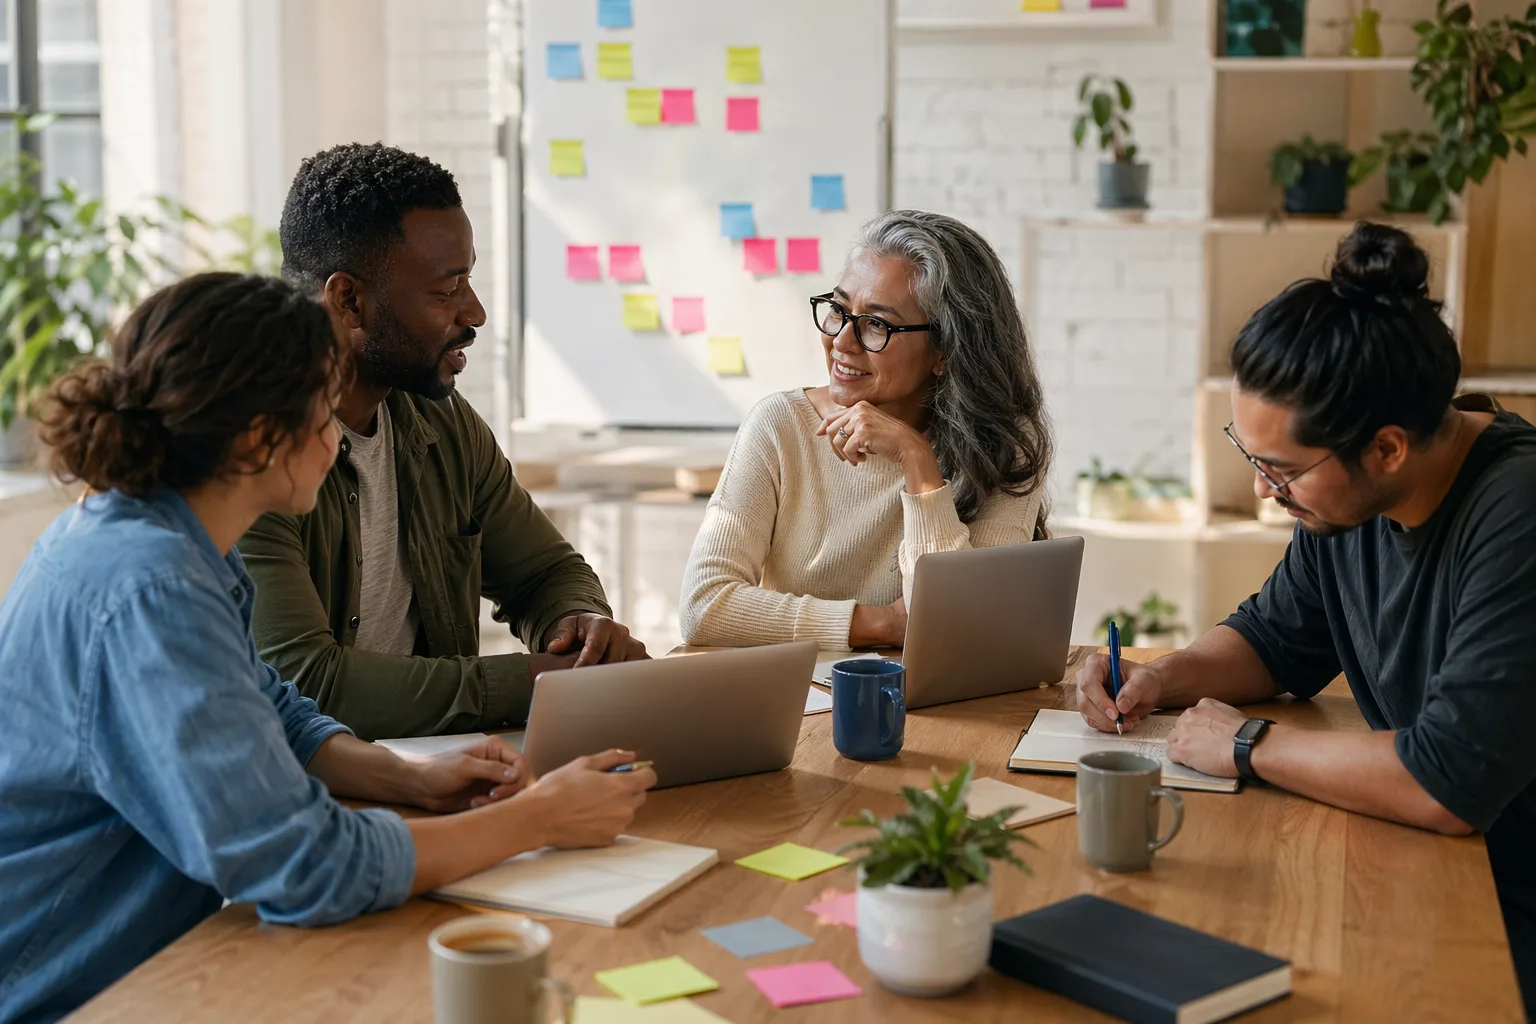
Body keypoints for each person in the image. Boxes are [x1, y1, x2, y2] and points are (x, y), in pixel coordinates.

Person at [0, 273, 656, 1024]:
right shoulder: (154, 589)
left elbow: (266, 704)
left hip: (154, 961)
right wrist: (539, 818)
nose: (340, 429)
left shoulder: (160, 532)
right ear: (257, 437)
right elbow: (305, 865)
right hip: (66, 993)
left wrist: (409, 777)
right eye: (324, 403)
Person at [1074, 222, 1536, 1014]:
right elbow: (1274, 640)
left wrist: (1250, 744)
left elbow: (1447, 784)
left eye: (1280, 469)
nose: (1262, 490)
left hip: (1504, 905)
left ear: (1386, 449)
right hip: (1429, 862)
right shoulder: (1345, 504)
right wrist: (1164, 677)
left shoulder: (1516, 513)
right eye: (1250, 456)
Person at [241, 143, 645, 741]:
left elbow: (543, 572)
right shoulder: (253, 452)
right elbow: (305, 682)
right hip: (314, 789)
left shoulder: (442, 422)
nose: (475, 312)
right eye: (446, 288)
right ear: (348, 300)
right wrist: (538, 681)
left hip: (427, 771)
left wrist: (577, 628)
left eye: (469, 279)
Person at [679, 209, 1052, 651]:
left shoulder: (1005, 445)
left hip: (943, 708)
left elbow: (963, 633)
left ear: (946, 350)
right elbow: (704, 606)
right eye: (839, 309)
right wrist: (880, 624)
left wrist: (917, 461)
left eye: (876, 323)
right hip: (800, 709)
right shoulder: (780, 427)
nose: (841, 341)